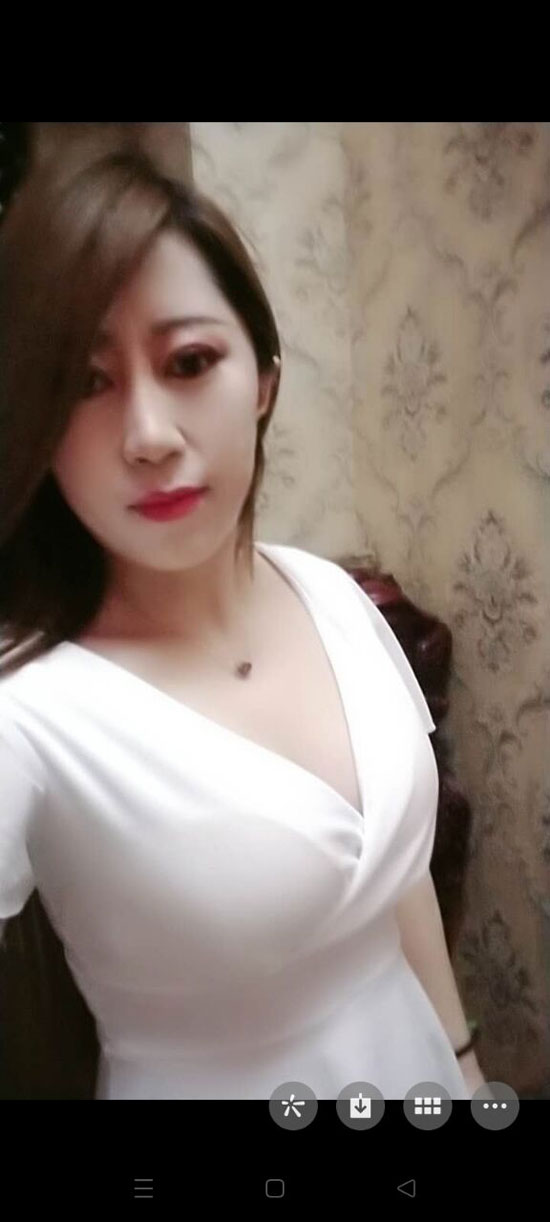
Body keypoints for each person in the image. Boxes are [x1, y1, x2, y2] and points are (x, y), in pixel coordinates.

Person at [0, 148, 485, 1100]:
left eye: (189, 362)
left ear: (262, 380)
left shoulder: (332, 596)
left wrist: (464, 1066)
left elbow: (400, 885)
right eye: (86, 384)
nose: (149, 435)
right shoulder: (26, 711)